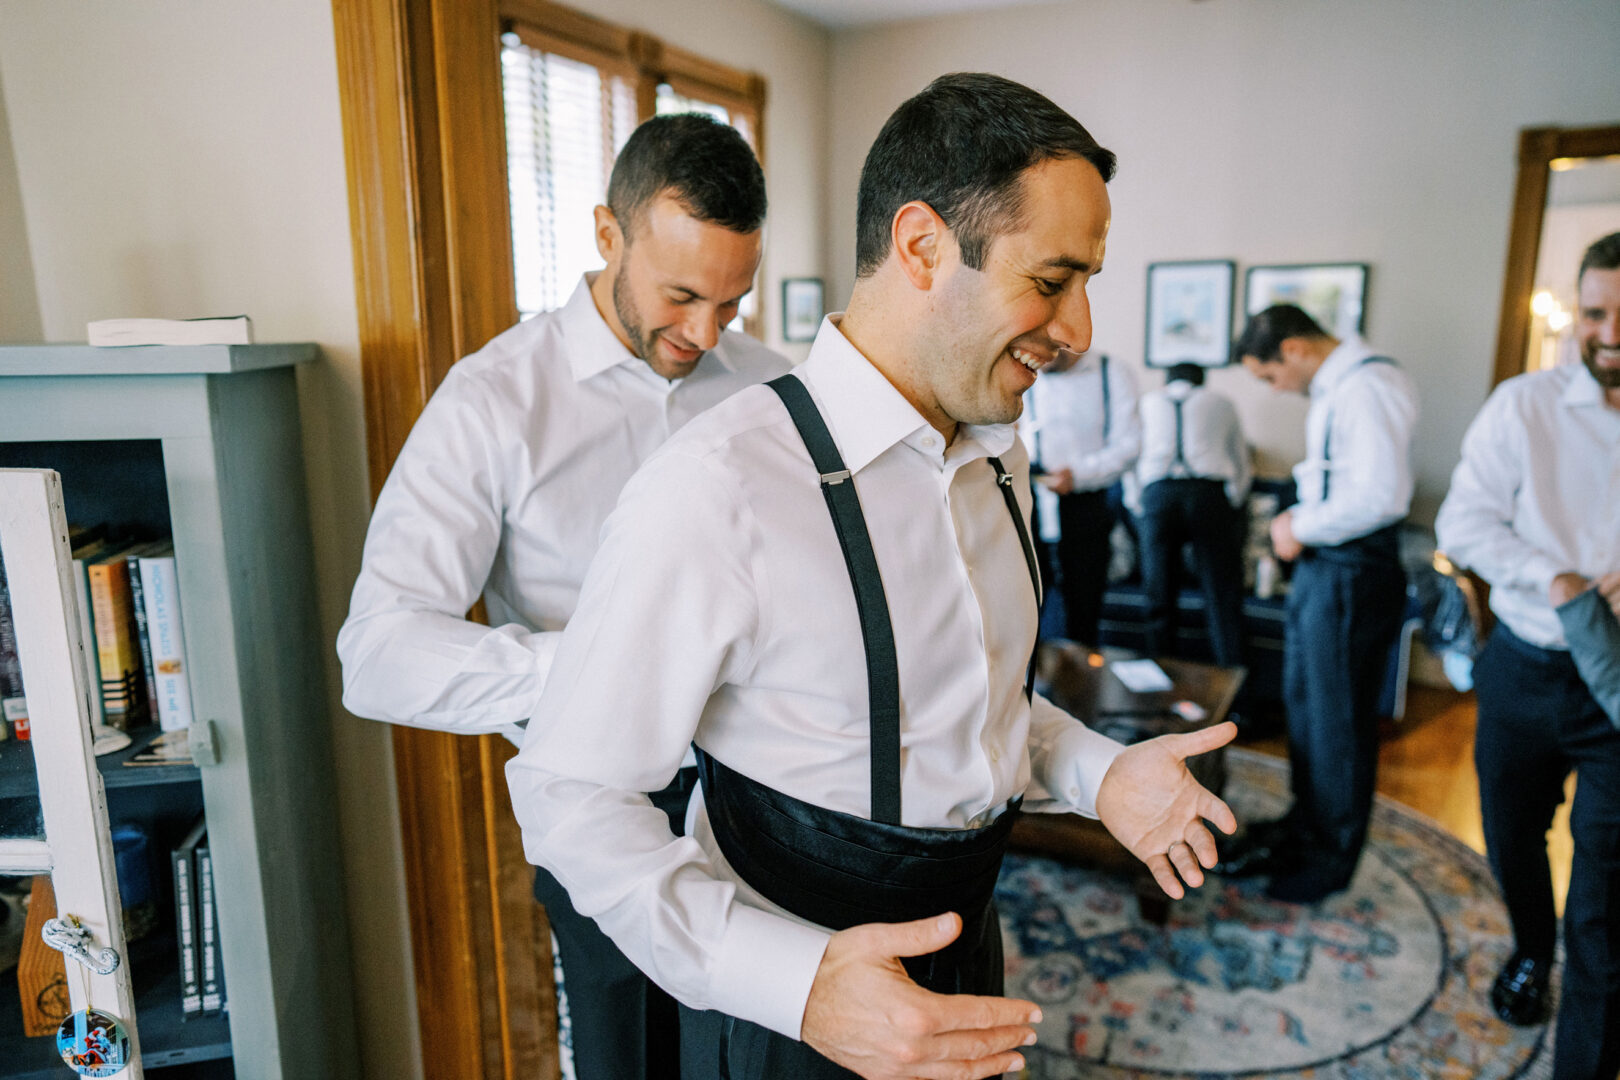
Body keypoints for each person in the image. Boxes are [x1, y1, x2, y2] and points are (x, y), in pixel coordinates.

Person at [507, 72, 1237, 1080]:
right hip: (788, 1023)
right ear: (923, 245)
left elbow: (970, 713)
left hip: (970, 962)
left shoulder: (999, 457)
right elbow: (569, 795)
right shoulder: (720, 490)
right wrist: (793, 984)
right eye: (1053, 280)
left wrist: (1096, 773)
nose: (1079, 332)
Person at [336, 113, 789, 1080]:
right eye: (679, 296)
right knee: (630, 1060)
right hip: (601, 809)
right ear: (605, 233)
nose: (704, 334)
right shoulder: (494, 401)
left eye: (732, 302)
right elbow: (377, 652)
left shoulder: (774, 386)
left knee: (764, 1050)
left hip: (773, 798)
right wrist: (599, 671)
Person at [1435, 231, 1620, 1080]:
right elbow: (1462, 526)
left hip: (1618, 688)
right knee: (1514, 837)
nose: (1608, 329)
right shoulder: (1525, 405)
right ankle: (1528, 952)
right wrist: (1553, 576)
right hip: (1527, 665)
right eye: (1594, 311)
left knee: (1606, 895)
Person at [1220, 304, 1417, 903]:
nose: (1274, 389)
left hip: (1352, 574)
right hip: (1324, 569)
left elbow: (1382, 496)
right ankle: (1303, 826)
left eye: (1269, 376)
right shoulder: (1340, 388)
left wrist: (1302, 523)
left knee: (1339, 724)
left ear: (1296, 350)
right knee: (1305, 708)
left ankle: (1328, 860)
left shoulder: (1369, 386)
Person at [1129, 362, 1251, 666]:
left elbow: (1131, 455)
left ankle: (1162, 676)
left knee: (1158, 593)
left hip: (1158, 494)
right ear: (1202, 379)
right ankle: (1234, 685)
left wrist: (1138, 502)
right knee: (1221, 593)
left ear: (1167, 379)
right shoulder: (1221, 402)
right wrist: (1232, 498)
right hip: (1208, 495)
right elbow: (1241, 460)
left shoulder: (1146, 403)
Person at [1025, 346, 1141, 645]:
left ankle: (1081, 684)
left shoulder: (1110, 370)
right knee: (1028, 609)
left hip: (1087, 505)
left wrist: (1080, 474)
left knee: (1084, 609)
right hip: (1031, 505)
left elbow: (1130, 445)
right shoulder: (1027, 369)